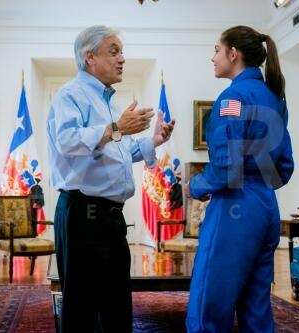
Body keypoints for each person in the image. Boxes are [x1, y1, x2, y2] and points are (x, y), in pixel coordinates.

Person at [46, 25, 175, 333]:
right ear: (90, 57)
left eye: (122, 52)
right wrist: (117, 128)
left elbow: (117, 150)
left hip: (110, 218)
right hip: (82, 214)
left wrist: (152, 141)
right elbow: (68, 141)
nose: (122, 59)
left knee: (115, 305)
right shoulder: (70, 96)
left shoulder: (108, 102)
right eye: (114, 51)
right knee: (81, 310)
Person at [185, 25, 294, 333]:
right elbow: (284, 166)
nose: (213, 57)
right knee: (256, 306)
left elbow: (226, 168)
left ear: (234, 54)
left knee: (209, 306)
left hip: (235, 206)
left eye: (217, 50)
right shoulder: (275, 97)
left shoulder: (233, 97)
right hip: (266, 206)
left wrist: (195, 187)